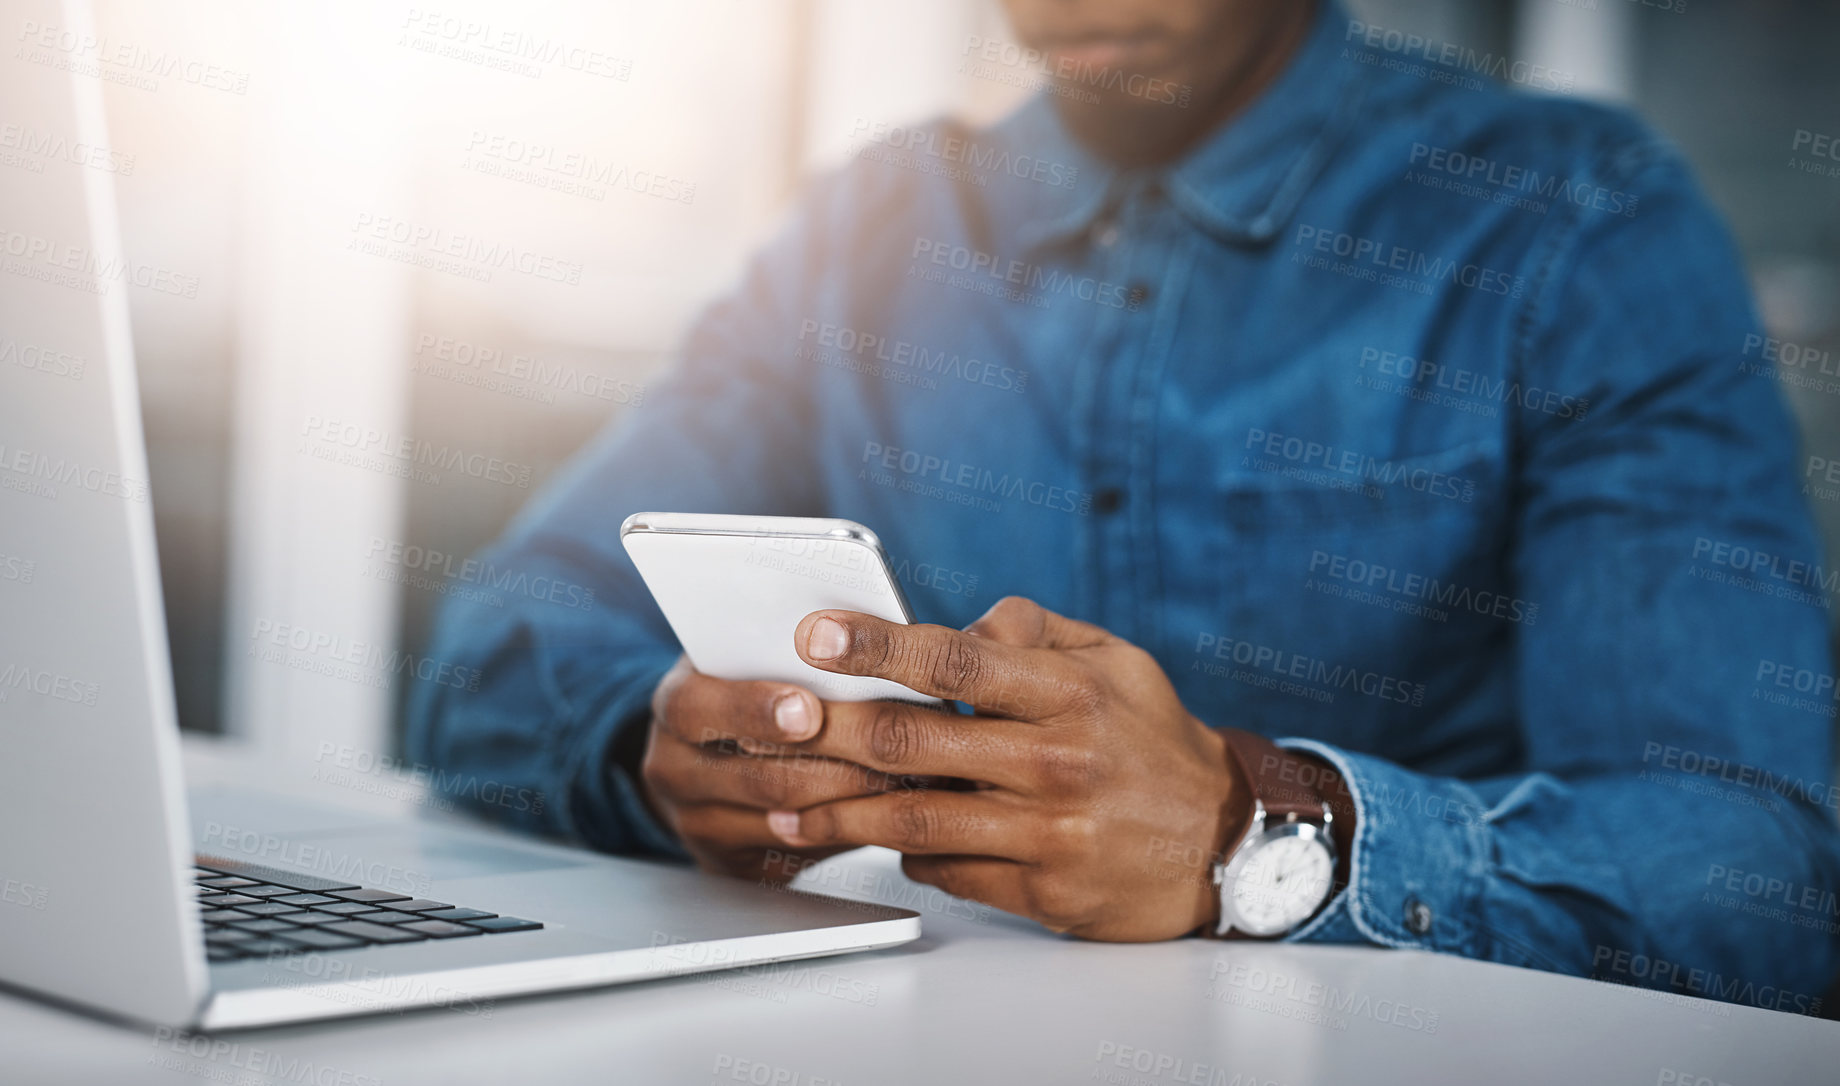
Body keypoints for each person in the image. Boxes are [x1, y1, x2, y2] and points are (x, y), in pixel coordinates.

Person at [408, 0, 1840, 1012]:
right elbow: (491, 648)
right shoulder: (866, 233)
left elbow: (1766, 874)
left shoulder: (1569, 224)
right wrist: (652, 752)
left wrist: (1261, 832)